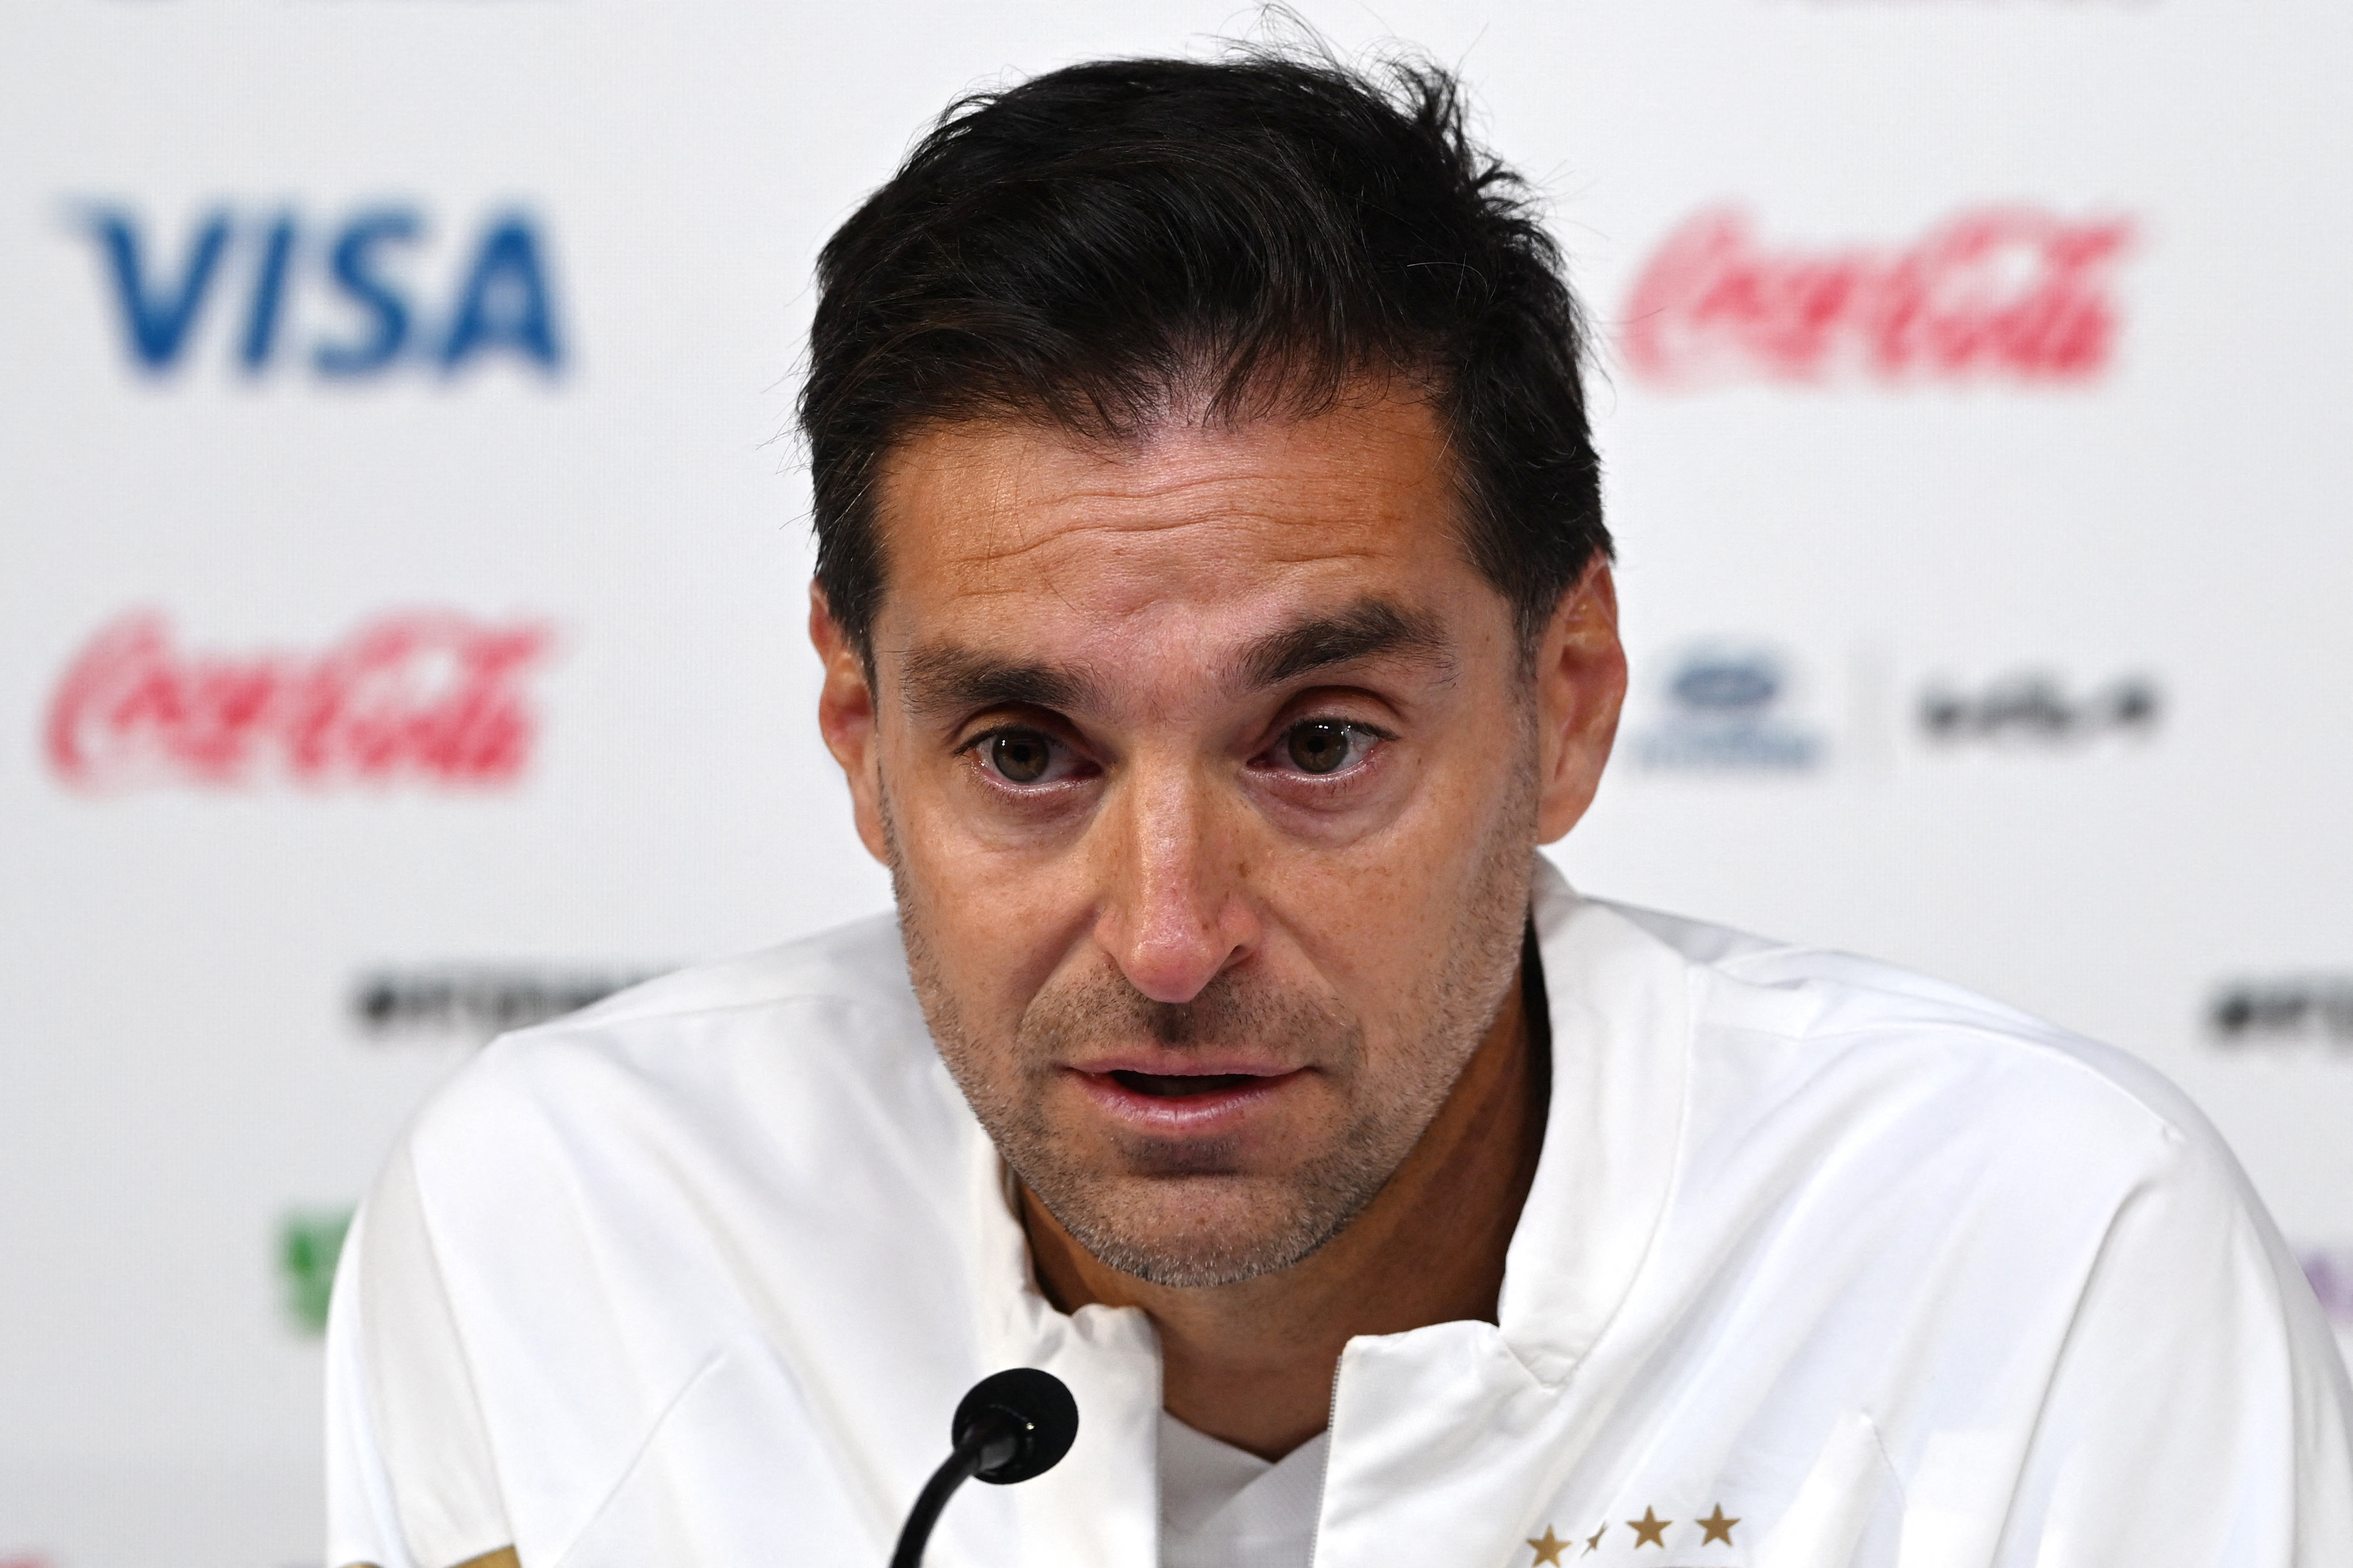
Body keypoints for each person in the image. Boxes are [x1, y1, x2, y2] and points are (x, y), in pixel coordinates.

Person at [324, 44, 2353, 1568]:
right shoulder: (573, 1223)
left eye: (1317, 742)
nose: (1172, 936)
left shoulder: (2033, 1248)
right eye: (1026, 755)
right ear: (859, 737)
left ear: (1565, 704)